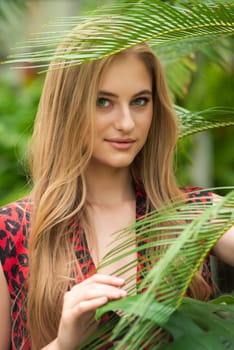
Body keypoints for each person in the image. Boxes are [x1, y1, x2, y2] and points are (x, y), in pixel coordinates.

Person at [0, 25, 233, 350]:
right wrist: (64, 343)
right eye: (103, 102)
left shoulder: (191, 212)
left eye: (139, 101)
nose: (126, 123)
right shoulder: (12, 231)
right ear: (67, 108)